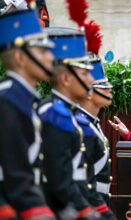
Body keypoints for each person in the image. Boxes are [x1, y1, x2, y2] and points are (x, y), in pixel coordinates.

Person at [0, 9, 56, 219]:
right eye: (43, 51)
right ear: (19, 57)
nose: (52, 57)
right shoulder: (7, 101)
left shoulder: (26, 101)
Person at [38, 29, 99, 219]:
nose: (92, 79)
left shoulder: (68, 114)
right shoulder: (55, 115)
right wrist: (86, 210)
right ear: (65, 79)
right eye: (85, 73)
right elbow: (60, 179)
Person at [76, 53, 116, 219]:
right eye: (102, 86)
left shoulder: (92, 121)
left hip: (97, 203)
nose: (110, 88)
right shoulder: (79, 124)